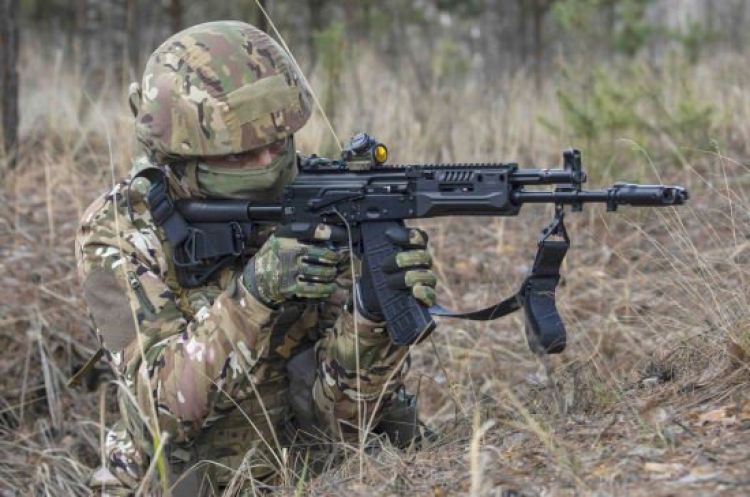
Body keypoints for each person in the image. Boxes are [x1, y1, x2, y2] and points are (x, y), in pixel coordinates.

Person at [75, 21, 437, 496]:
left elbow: (345, 423)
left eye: (278, 144)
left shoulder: (322, 202)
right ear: (178, 155)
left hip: (316, 477)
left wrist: (371, 315)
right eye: (239, 157)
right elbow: (161, 413)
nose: (267, 166)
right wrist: (254, 296)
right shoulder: (121, 230)